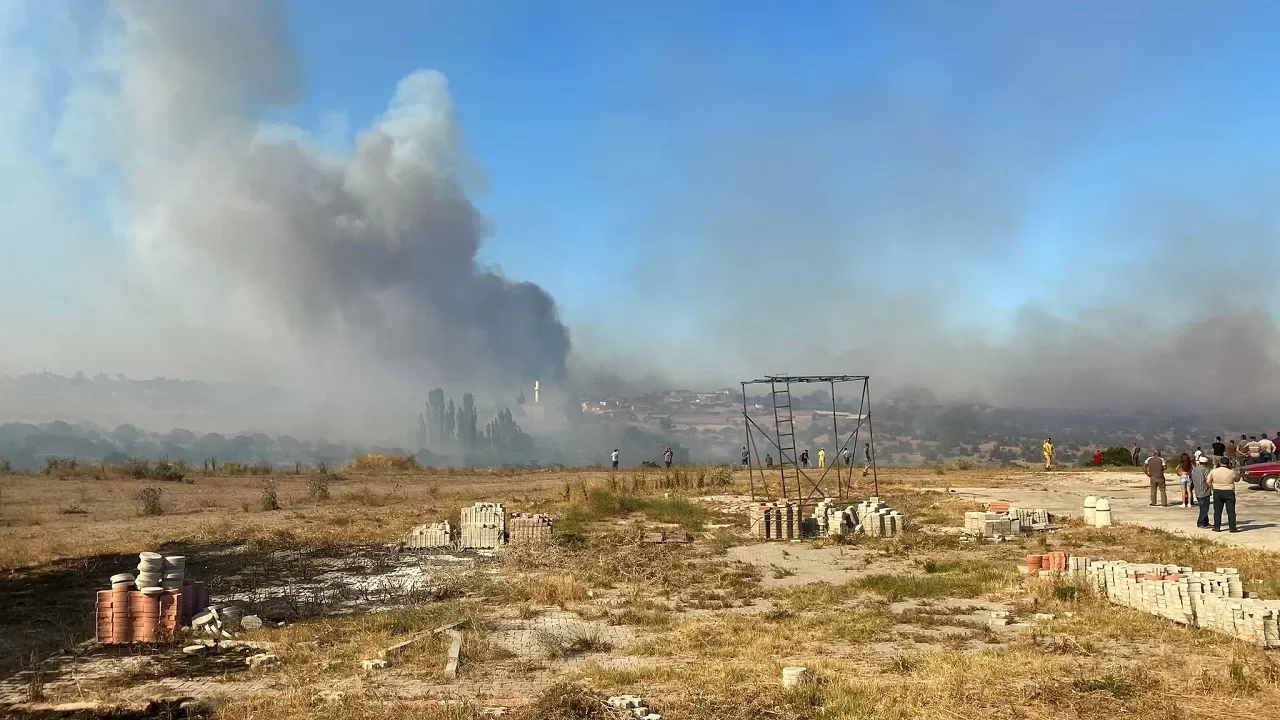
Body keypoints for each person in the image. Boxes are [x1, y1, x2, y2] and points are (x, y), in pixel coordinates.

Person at [1207, 456, 1238, 532]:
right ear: (1228, 463)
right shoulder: (1231, 472)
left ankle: (1217, 527)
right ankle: (1232, 528)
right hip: (1229, 491)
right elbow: (1237, 479)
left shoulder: (1214, 471)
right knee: (1231, 511)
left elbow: (1208, 481)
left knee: (1217, 511)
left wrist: (1213, 487)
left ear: (1220, 463)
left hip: (1217, 491)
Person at [1191, 456, 1212, 528]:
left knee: (1202, 507)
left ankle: (1206, 522)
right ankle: (1201, 522)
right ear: (1206, 463)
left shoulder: (1194, 469)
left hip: (1197, 490)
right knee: (1205, 508)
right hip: (1204, 491)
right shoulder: (1205, 470)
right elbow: (1208, 480)